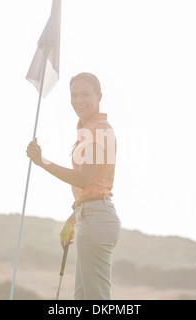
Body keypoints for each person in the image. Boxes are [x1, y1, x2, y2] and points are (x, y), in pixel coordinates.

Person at [26, 72, 121, 300]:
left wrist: (42, 162)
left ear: (99, 96)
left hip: (96, 219)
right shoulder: (87, 131)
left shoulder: (98, 130)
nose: (79, 100)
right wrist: (74, 217)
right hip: (88, 216)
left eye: (85, 94)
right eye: (74, 95)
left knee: (96, 300)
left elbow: (83, 178)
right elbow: (90, 187)